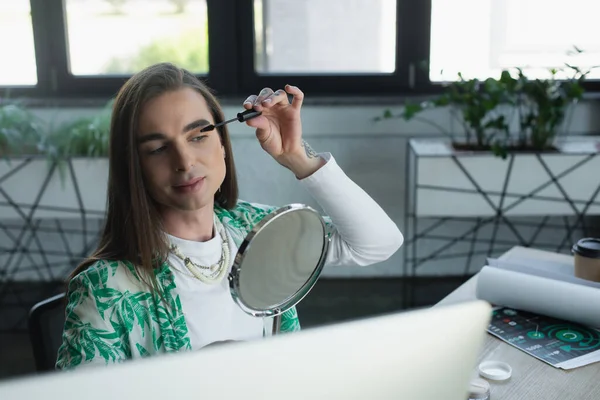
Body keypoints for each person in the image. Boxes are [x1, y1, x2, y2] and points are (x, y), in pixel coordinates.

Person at [55, 62, 404, 370]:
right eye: (158, 148)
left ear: (222, 142)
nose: (185, 161)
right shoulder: (104, 289)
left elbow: (377, 244)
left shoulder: (258, 230)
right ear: (134, 167)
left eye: (199, 136)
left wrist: (298, 156)